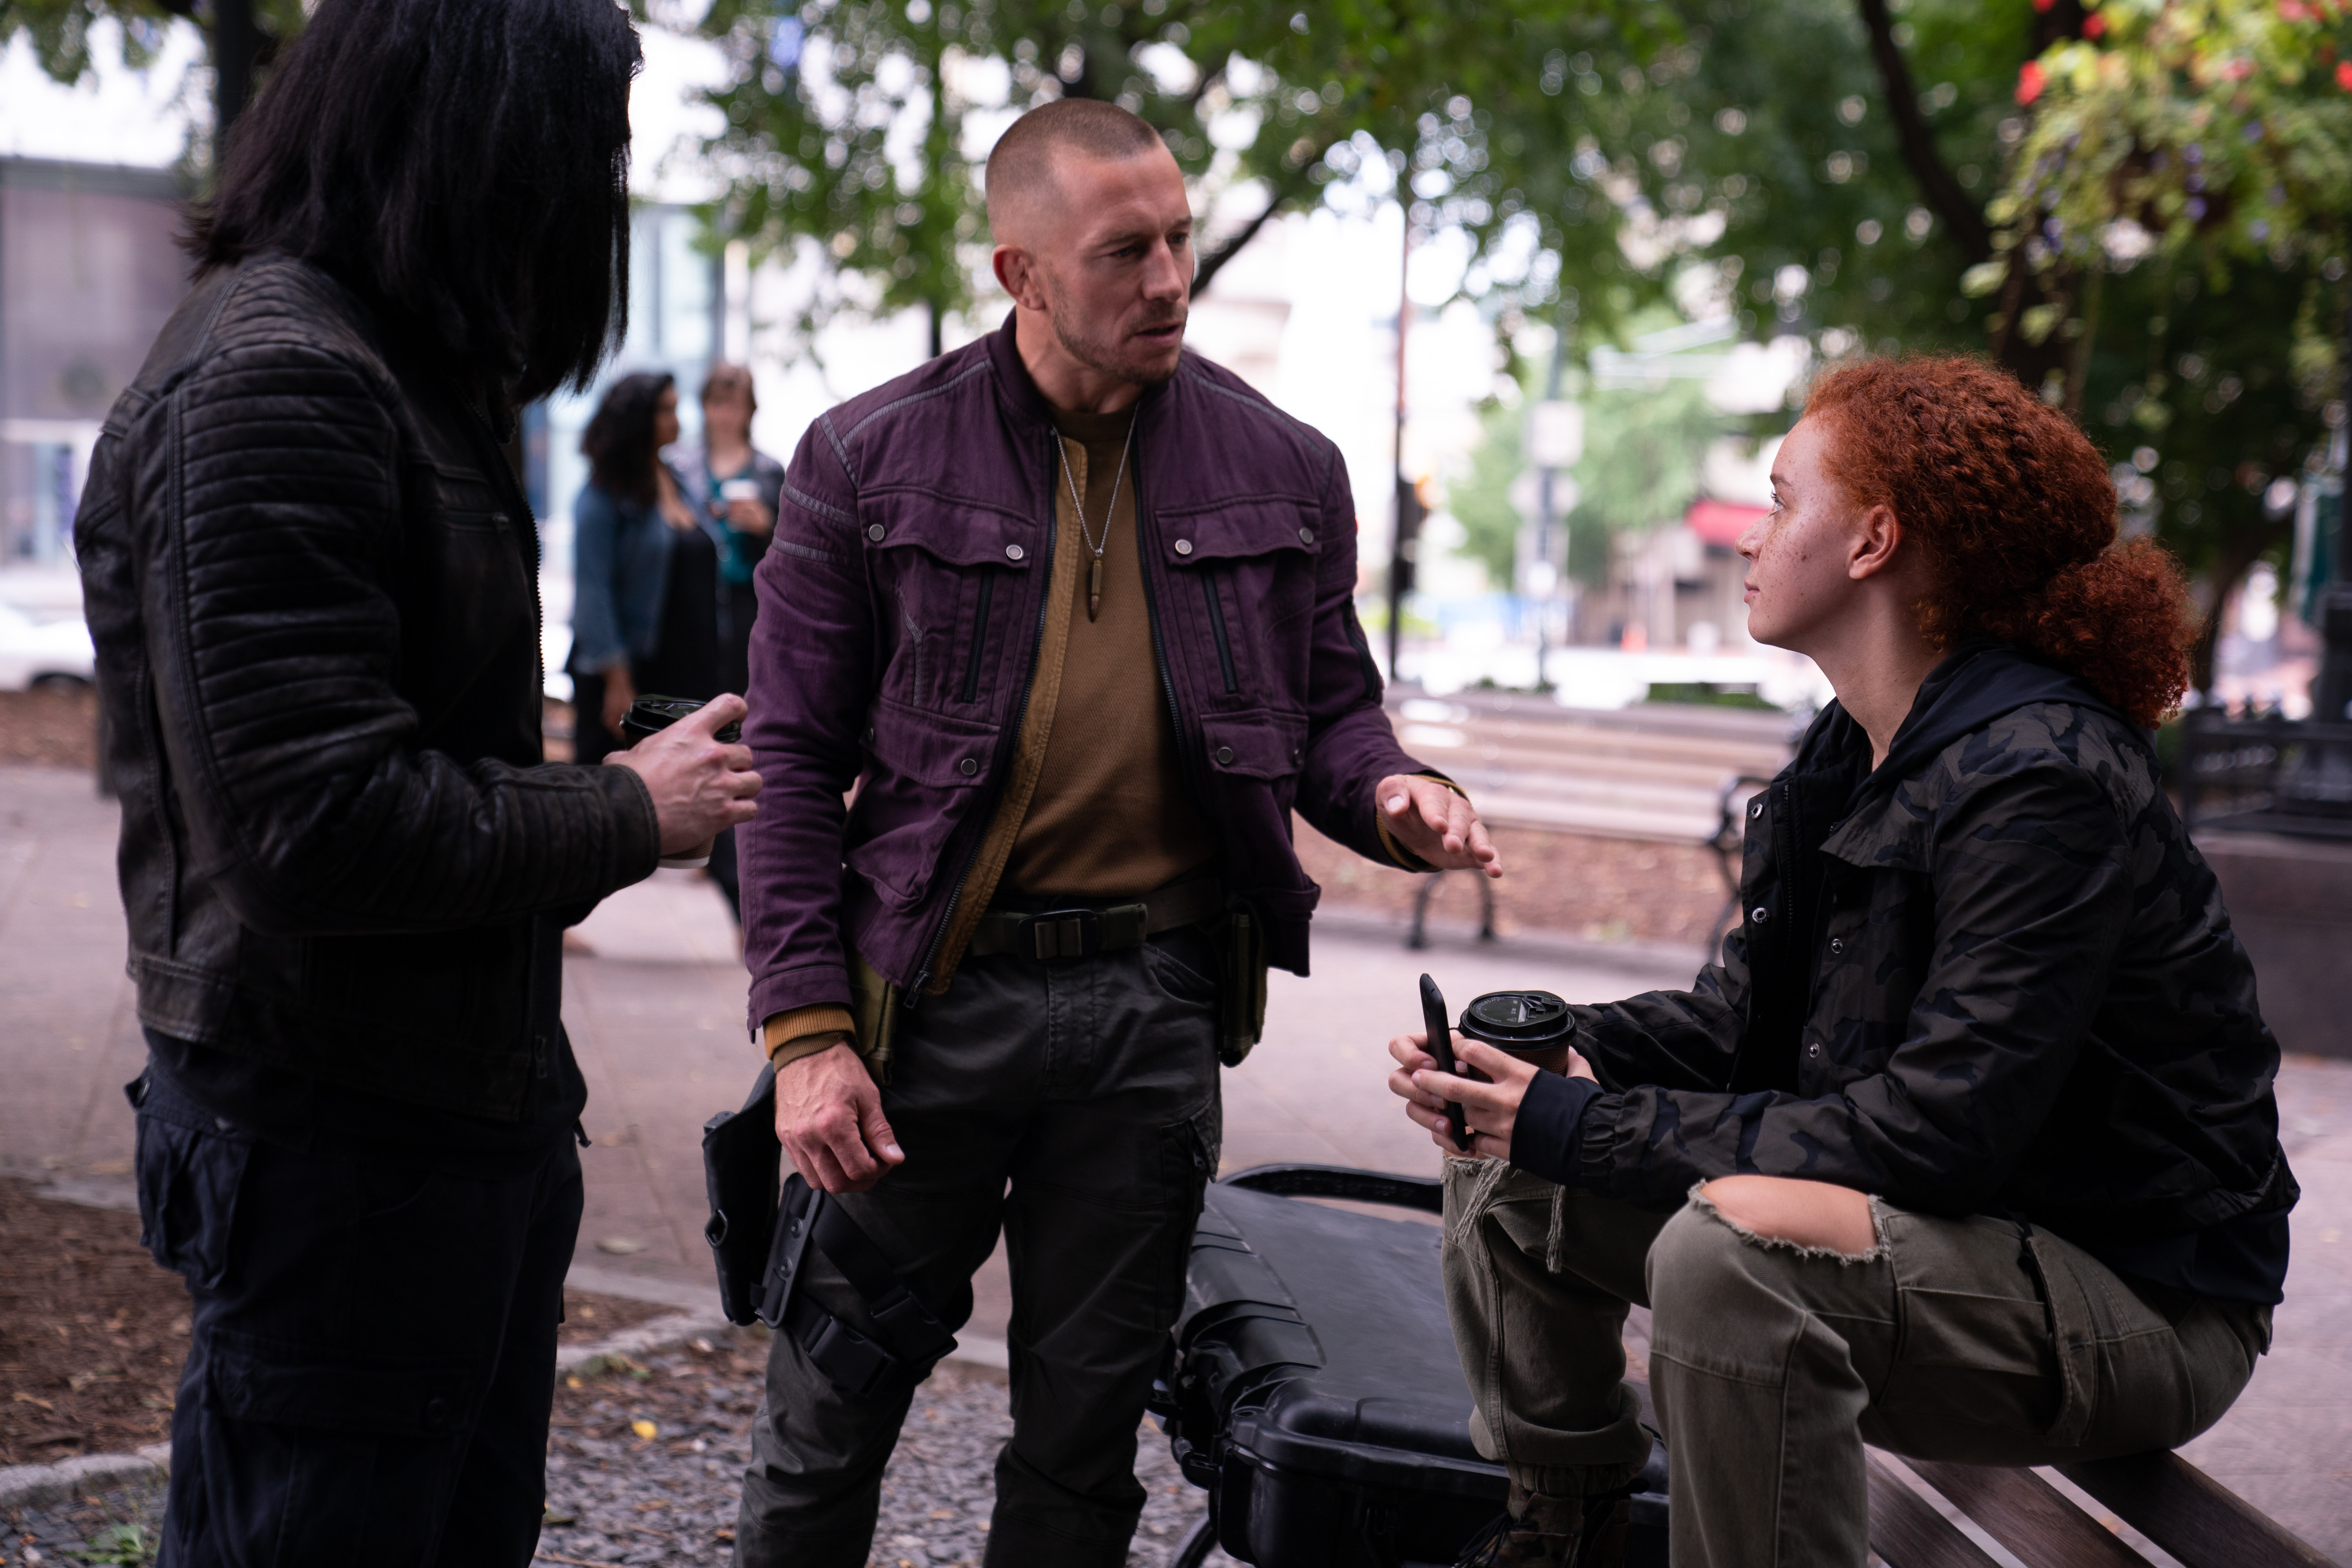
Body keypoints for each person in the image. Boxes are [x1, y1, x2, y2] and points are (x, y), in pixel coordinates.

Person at [730, 97, 1503, 1568]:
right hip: (922, 1004)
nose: (1168, 279)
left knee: (1084, 1447)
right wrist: (806, 1033)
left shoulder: (1283, 466)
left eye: (1179, 239)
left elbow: (1331, 717)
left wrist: (1397, 797)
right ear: (1019, 272)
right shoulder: (866, 457)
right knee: (826, 1410)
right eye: (1122, 251)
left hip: (1150, 1009)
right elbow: (788, 759)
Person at [1390, 357, 2295, 1568]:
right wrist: (1553, 1055)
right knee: (1509, 1170)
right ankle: (1563, 1534)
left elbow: (1937, 1130)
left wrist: (1583, 1122)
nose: (1752, 536)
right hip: (1946, 1242)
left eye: (1780, 502)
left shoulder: (2041, 781)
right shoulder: (1859, 746)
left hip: (2135, 1294)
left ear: (1872, 540)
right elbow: (1747, 1023)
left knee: (1733, 1260)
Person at [71, 2, 762, 1563]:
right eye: (584, 154)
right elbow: (308, 827)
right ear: (483, 143)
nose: (592, 201)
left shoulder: (396, 367)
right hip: (337, 1152)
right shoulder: (280, 377)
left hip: (439, 1129)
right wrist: (629, 809)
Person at [568, 371, 729, 769]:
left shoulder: (678, 478)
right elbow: (593, 591)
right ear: (637, 419)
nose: (676, 421)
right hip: (636, 672)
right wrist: (617, 680)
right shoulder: (605, 492)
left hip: (688, 670)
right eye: (665, 411)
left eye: (676, 409)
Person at [673, 362, 786, 917]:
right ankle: (700, 837)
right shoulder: (679, 468)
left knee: (743, 721)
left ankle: (733, 854)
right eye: (718, 402)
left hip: (747, 607)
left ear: (749, 410)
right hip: (693, 609)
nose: (725, 413)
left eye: (735, 403)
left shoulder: (769, 471)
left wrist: (766, 525)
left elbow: (793, 552)